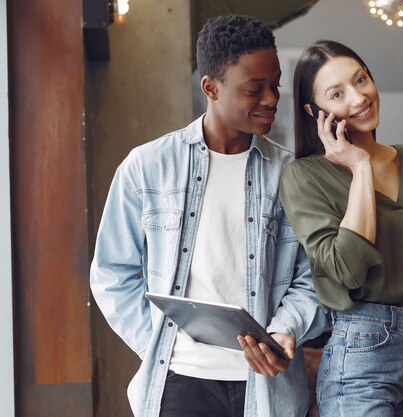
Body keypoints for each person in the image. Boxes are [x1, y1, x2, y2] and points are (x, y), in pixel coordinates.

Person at [90, 15, 328, 417]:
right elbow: (112, 274)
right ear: (210, 88)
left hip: (268, 389)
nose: (271, 99)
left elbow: (314, 277)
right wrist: (160, 340)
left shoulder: (293, 175)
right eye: (255, 89)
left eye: (275, 85)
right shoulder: (146, 167)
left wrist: (285, 331)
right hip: (179, 386)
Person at [279, 40, 403, 417]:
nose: (359, 96)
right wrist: (360, 167)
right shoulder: (304, 176)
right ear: (316, 112)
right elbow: (346, 270)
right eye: (337, 93)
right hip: (360, 344)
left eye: (361, 79)